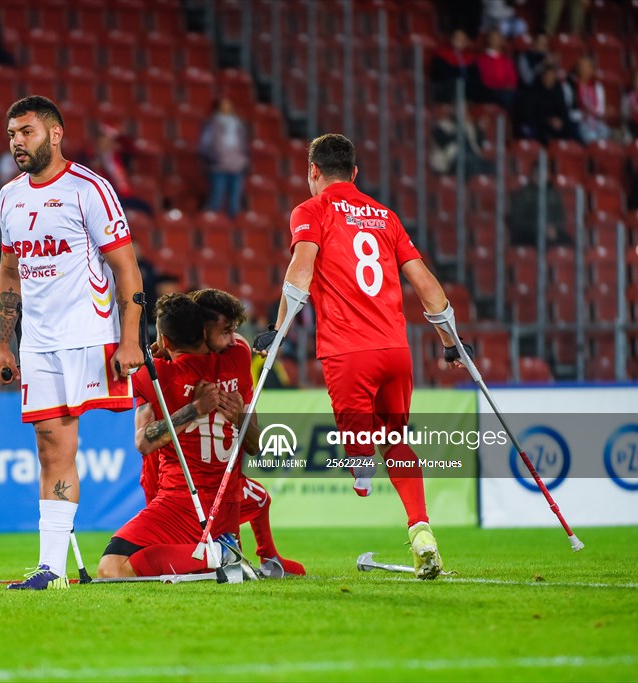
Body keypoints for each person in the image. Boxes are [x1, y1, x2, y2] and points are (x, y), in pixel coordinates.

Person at [263, 134, 471, 580]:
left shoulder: (311, 210)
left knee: (359, 447)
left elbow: (300, 270)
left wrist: (277, 332)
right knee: (397, 439)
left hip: (347, 350)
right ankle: (420, 529)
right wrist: (451, 341)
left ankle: (361, 470)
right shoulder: (385, 216)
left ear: (313, 171)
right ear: (355, 173)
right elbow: (425, 282)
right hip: (396, 350)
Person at [0, 96, 144, 590]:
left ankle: (199, 530)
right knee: (51, 449)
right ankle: (51, 570)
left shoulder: (89, 190)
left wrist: (130, 341)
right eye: (12, 133)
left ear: (55, 134)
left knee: (151, 432)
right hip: (37, 345)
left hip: (91, 336)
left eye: (27, 131)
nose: (18, 141)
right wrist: (4, 346)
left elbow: (126, 268)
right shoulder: (9, 197)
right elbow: (9, 274)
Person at [97, 293, 258, 579]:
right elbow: (256, 446)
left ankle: (219, 555)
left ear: (165, 340)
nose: (232, 337)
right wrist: (236, 418)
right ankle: (225, 550)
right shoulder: (240, 356)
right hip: (226, 505)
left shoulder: (158, 374)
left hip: (181, 502)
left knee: (112, 568)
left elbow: (144, 443)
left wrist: (194, 409)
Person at [190, 288, 305, 577]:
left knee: (258, 497)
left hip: (222, 477)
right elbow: (145, 443)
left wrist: (241, 418)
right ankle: (230, 553)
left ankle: (258, 555)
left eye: (234, 331)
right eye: (225, 331)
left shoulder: (239, 356)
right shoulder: (175, 363)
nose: (234, 339)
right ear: (200, 330)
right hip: (183, 486)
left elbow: (253, 444)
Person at [199, 97, 249, 217]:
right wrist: (215, 159)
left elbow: (243, 144)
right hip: (218, 166)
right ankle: (214, 229)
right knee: (216, 199)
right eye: (223, 105)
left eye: (228, 105)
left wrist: (243, 160)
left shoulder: (238, 123)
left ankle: (234, 231)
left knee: (235, 202)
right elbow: (204, 145)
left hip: (236, 166)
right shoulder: (212, 123)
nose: (227, 108)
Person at [515, 65, 578, 144]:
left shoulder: (558, 91)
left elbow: (564, 110)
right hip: (540, 124)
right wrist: (548, 120)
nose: (549, 79)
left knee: (572, 127)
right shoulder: (533, 91)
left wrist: (561, 121)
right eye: (547, 76)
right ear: (542, 76)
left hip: (556, 124)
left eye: (551, 76)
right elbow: (528, 114)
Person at [566, 56, 609, 144]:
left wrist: (594, 112)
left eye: (586, 67)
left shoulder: (597, 87)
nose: (583, 69)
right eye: (581, 66)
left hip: (595, 121)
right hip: (578, 122)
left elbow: (601, 110)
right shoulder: (570, 86)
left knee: (605, 132)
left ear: (591, 70)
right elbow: (567, 112)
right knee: (591, 136)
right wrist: (582, 114)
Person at [429, 30, 477, 104]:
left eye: (462, 39)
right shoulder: (441, 54)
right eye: (457, 38)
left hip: (466, 91)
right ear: (451, 39)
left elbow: (473, 76)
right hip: (447, 89)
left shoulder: (470, 57)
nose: (459, 41)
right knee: (456, 83)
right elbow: (439, 75)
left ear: (466, 42)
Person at [475, 29, 517, 109]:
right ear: (488, 39)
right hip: (489, 91)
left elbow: (512, 78)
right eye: (493, 38)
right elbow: (485, 78)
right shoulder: (482, 59)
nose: (495, 40)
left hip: (506, 91)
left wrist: (508, 86)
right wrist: (501, 86)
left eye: (498, 38)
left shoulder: (506, 60)